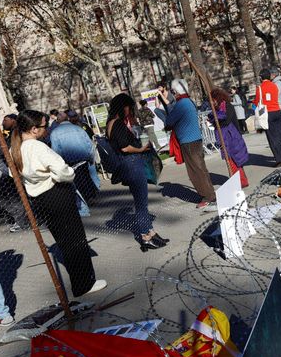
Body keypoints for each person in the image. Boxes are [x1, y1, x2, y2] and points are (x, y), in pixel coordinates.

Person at [9, 109, 106, 297]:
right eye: (44, 127)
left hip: (40, 199)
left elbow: (14, 174)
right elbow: (62, 170)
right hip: (57, 194)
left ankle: (80, 282)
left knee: (64, 242)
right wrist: (68, 174)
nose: (47, 131)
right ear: (34, 129)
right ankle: (85, 283)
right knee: (75, 239)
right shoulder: (37, 147)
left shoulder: (15, 148)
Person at [107, 94, 168, 250]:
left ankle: (151, 231)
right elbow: (124, 147)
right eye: (128, 107)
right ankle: (145, 235)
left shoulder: (111, 123)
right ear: (122, 107)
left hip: (129, 164)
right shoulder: (118, 124)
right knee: (141, 203)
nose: (129, 110)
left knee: (141, 202)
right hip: (132, 163)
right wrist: (140, 149)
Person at [162, 78, 217, 210]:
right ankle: (210, 194)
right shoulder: (189, 102)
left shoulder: (181, 104)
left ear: (175, 91)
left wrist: (168, 107)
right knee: (201, 169)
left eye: (173, 92)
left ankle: (208, 197)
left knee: (195, 172)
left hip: (188, 141)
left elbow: (169, 122)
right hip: (195, 139)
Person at [49, 110, 100, 207]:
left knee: (78, 181)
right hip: (83, 158)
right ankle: (92, 196)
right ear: (68, 118)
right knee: (86, 177)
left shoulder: (55, 133)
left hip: (70, 162)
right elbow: (89, 143)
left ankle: (87, 199)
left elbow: (56, 150)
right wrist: (91, 157)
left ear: (58, 121)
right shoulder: (78, 128)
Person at [0, 125, 28, 232]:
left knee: (15, 200)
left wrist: (11, 174)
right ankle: (15, 219)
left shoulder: (1, 143)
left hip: (5, 177)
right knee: (3, 202)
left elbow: (8, 159)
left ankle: (21, 222)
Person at [209, 88, 249, 188]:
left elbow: (227, 121)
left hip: (231, 136)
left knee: (235, 160)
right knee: (231, 160)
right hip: (226, 137)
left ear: (217, 98)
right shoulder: (218, 108)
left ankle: (241, 181)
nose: (211, 102)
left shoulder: (227, 106)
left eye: (212, 100)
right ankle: (239, 180)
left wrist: (215, 119)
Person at [254, 67, 281, 167]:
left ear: (261, 78)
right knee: (279, 134)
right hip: (277, 111)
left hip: (268, 114)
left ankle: (279, 159)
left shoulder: (260, 88)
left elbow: (256, 102)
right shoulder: (274, 86)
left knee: (272, 137)